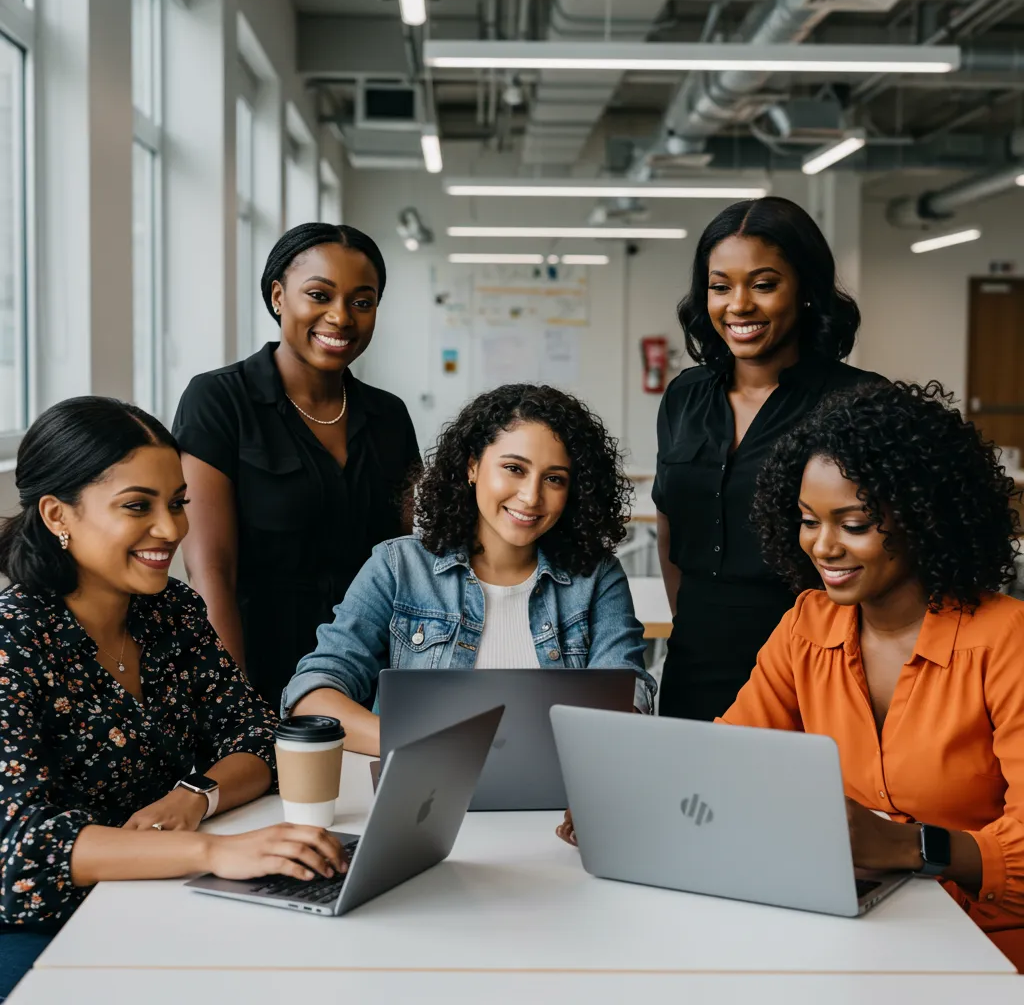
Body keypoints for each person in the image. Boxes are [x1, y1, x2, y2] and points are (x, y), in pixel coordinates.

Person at [562, 381, 1024, 968]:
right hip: (858, 928)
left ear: (922, 517)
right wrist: (633, 796)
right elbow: (728, 752)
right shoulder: (809, 624)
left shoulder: (1007, 641)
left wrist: (910, 846)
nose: (823, 547)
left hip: (984, 945)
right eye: (809, 520)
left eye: (853, 523)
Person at [0, 398, 348, 999]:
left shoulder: (171, 611)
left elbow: (257, 737)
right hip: (55, 932)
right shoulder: (12, 642)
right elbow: (24, 850)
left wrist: (195, 796)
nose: (172, 529)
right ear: (58, 514)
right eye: (139, 506)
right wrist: (215, 851)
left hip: (166, 896)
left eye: (178, 502)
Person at [282, 384, 656, 755]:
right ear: (472, 466)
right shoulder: (399, 568)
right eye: (513, 468)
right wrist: (425, 745)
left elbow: (625, 695)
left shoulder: (597, 578)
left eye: (554, 478)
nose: (531, 496)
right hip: (422, 799)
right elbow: (311, 695)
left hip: (554, 806)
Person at [654, 195, 885, 721]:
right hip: (695, 652)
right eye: (720, 286)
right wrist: (689, 619)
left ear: (804, 289)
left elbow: (891, 545)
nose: (738, 305)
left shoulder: (857, 401)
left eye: (763, 284)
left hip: (820, 656)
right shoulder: (684, 396)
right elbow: (670, 525)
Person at [173, 223, 421, 710]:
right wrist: (236, 704)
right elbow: (211, 572)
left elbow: (410, 558)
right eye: (318, 294)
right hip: (260, 662)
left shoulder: (389, 415)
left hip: (374, 667)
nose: (340, 317)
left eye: (361, 301)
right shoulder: (220, 400)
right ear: (278, 296)